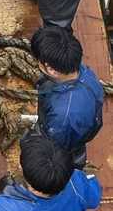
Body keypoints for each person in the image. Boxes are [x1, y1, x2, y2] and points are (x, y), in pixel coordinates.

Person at [27, 25, 103, 167]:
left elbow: (55, 148)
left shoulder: (62, 116)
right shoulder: (86, 72)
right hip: (80, 129)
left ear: (51, 69)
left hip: (64, 141)